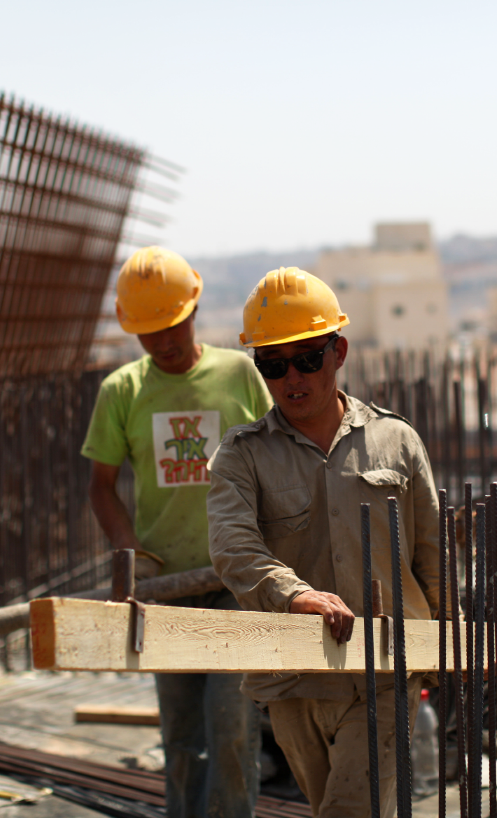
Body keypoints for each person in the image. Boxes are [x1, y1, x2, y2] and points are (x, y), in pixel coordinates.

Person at [207, 266, 444, 818]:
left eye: (307, 359)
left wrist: (439, 651)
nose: (293, 377)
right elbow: (232, 546)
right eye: (273, 364)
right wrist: (294, 595)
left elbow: (432, 551)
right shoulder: (242, 455)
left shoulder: (396, 440)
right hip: (294, 677)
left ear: (338, 352)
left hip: (387, 670)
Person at [81, 246, 272, 818]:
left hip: (234, 582)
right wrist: (129, 554)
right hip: (164, 589)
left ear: (193, 309)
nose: (162, 341)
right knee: (183, 737)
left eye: (171, 325)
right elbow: (101, 486)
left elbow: (277, 460)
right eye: (147, 332)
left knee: (233, 728)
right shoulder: (123, 391)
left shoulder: (238, 374)